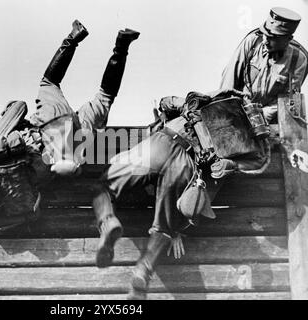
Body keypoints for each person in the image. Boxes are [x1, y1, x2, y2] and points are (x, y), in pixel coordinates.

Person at [0, 20, 140, 245]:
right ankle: (75, 38)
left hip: (69, 143)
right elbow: (17, 107)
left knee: (103, 97)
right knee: (50, 82)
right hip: (49, 126)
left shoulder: (9, 191)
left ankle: (121, 45)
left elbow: (58, 170)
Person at [92, 89, 271, 300]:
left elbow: (165, 101)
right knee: (166, 226)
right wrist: (230, 164)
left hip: (162, 143)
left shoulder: (214, 98)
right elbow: (260, 163)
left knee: (103, 185)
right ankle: (143, 270)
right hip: (185, 164)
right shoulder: (250, 140)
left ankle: (108, 221)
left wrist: (181, 107)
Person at [220, 7, 308, 123]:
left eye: (273, 38)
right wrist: (226, 112)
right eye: (265, 34)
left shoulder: (298, 59)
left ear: (288, 39)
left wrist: (262, 115)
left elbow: (291, 99)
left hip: (271, 119)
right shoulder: (252, 42)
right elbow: (229, 80)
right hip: (239, 111)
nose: (265, 40)